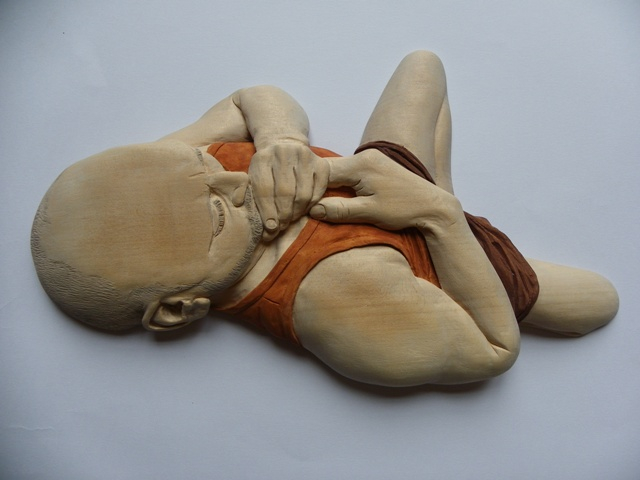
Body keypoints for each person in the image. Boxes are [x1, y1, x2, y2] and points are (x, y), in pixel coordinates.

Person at [31, 51, 618, 387]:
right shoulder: (336, 305)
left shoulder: (164, 173)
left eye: (204, 166)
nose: (237, 179)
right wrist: (436, 214)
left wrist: (281, 138)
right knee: (599, 302)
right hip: (452, 262)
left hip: (379, 171)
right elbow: (494, 350)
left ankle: (432, 187)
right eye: (218, 214)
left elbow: (249, 98)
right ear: (178, 308)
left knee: (423, 66)